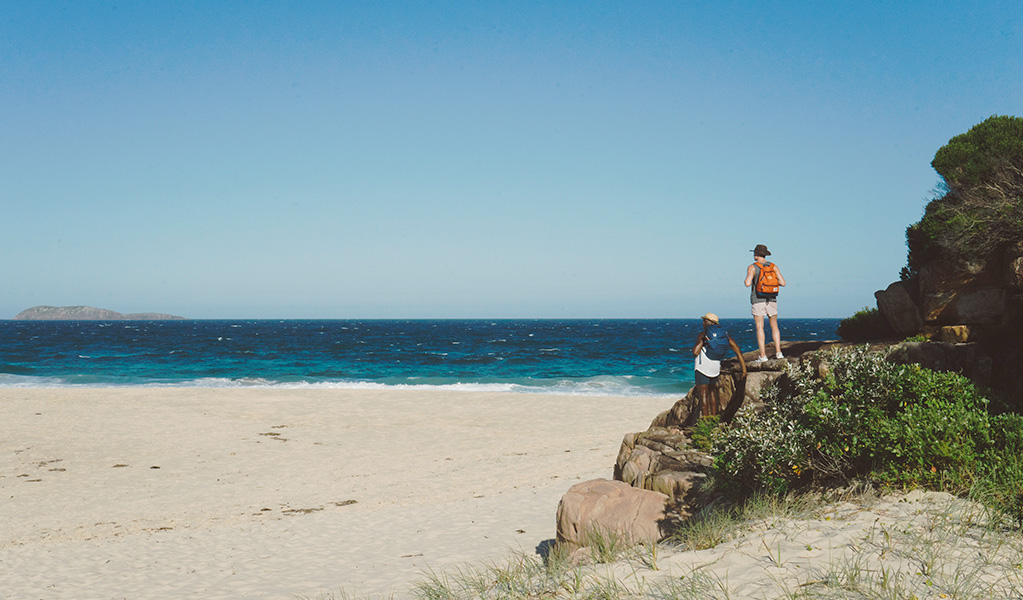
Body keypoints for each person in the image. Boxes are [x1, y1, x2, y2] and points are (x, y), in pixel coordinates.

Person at [692, 312, 746, 418]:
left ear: (708, 322)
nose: (703, 323)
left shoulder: (703, 334)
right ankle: (714, 419)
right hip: (715, 368)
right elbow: (738, 350)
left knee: (703, 395)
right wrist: (744, 370)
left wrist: (702, 340)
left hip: (702, 367)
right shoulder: (725, 335)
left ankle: (706, 422)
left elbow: (695, 352)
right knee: (712, 393)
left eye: (704, 320)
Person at [744, 243, 787, 362]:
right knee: (774, 326)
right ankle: (779, 353)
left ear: (756, 255)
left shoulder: (752, 267)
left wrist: (750, 279)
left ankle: (763, 356)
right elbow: (783, 283)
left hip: (758, 300)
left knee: (760, 327)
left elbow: (747, 283)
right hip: (772, 300)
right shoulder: (773, 266)